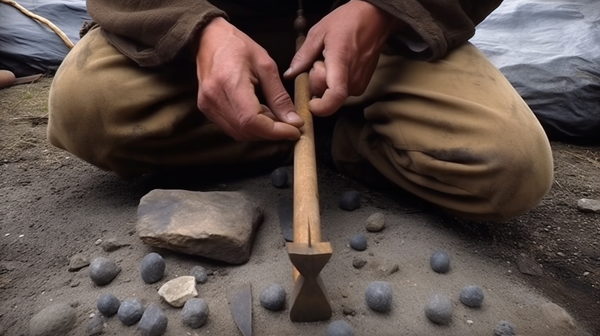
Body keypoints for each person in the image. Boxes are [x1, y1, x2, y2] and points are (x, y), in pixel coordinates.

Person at [47, 0, 553, 221]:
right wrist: (196, 29)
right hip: (218, 33)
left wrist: (384, 10)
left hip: (377, 43)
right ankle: (284, 126)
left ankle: (332, 136)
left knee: (511, 164)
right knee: (85, 108)